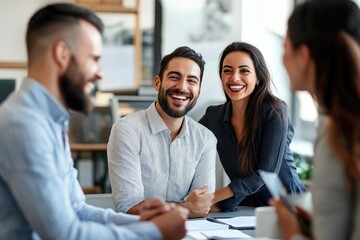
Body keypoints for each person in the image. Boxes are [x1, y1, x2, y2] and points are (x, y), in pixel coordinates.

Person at [0, 3, 189, 239]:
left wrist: (140, 220)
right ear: (62, 54)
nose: (100, 73)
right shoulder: (23, 124)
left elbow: (77, 209)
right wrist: (154, 232)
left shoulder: (49, 120)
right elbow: (65, 233)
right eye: (94, 58)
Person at [271, 1, 360, 240]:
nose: (282, 58)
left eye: (284, 47)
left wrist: (292, 232)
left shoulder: (338, 132)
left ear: (303, 56)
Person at [108, 46, 217, 218]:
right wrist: (187, 208)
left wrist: (190, 207)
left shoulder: (205, 139)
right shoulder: (127, 130)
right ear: (157, 83)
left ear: (199, 89)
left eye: (192, 80)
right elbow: (128, 206)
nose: (182, 87)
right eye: (174, 77)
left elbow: (202, 205)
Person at [199, 42, 305, 211]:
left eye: (244, 70)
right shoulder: (214, 116)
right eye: (227, 70)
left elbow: (266, 174)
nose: (234, 77)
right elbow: (188, 141)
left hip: (288, 206)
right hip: (247, 205)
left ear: (257, 78)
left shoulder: (275, 111)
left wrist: (212, 198)